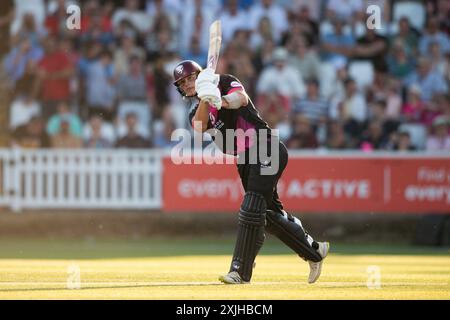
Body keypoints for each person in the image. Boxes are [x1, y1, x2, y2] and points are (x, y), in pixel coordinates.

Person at [172, 60, 329, 284]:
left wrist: (221, 99)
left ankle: (240, 270)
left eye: (190, 78)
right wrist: (206, 98)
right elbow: (198, 128)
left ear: (200, 75)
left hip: (267, 147)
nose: (187, 84)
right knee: (267, 216)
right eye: (182, 82)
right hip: (244, 159)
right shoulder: (194, 108)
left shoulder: (224, 82)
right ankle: (314, 252)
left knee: (251, 205)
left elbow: (241, 99)